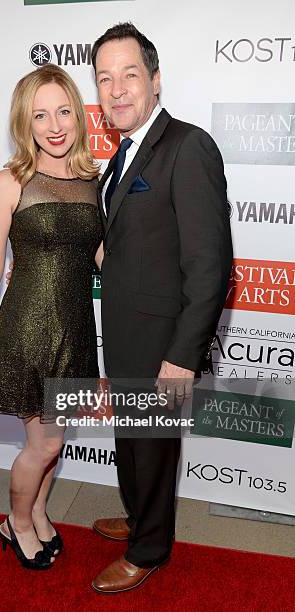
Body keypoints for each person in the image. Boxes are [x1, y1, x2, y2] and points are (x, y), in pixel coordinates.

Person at [90, 23, 233, 593]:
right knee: (133, 440)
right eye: (105, 79)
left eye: (130, 75)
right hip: (125, 328)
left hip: (163, 339)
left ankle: (148, 548)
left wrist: (183, 356)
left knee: (150, 444)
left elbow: (211, 265)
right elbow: (136, 236)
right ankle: (140, 516)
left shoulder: (187, 145)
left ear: (154, 80)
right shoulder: (122, 153)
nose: (118, 89)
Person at [0, 64, 102, 570]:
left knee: (55, 439)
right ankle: (16, 523)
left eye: (64, 111)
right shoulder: (10, 182)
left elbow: (103, 258)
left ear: (78, 115)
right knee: (43, 440)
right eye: (40, 115)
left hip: (73, 332)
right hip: (26, 330)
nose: (54, 125)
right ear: (25, 123)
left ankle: (40, 512)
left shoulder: (91, 181)